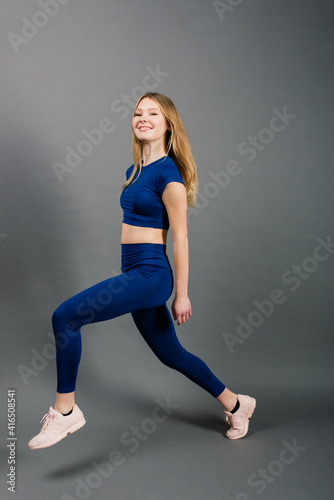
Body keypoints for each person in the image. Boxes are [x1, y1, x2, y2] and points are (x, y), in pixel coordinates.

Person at [28, 92, 256, 450]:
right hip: (134, 270)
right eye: (138, 113)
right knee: (172, 355)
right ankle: (238, 404)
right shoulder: (134, 171)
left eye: (153, 113)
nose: (143, 118)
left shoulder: (169, 174)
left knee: (66, 317)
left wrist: (181, 293)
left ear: (168, 124)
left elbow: (180, 236)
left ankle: (66, 412)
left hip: (151, 275)